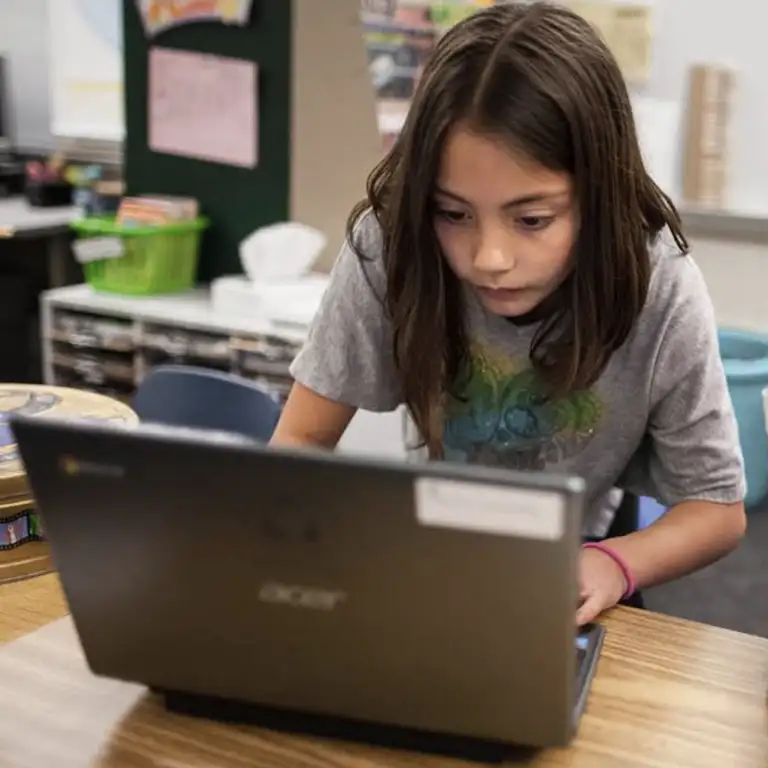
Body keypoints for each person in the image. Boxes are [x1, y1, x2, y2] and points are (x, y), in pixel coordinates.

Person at [270, 2, 747, 625]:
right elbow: (302, 437)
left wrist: (613, 562)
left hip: (576, 573)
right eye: (452, 213)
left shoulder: (659, 286)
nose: (489, 258)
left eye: (532, 220)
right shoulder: (390, 246)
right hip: (433, 557)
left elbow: (717, 509)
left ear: (600, 194)